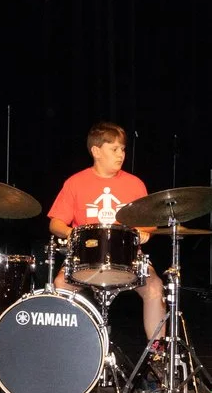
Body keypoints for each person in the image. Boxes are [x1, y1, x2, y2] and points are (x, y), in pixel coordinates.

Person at [46, 122, 167, 358]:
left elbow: (150, 223)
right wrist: (69, 233)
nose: (121, 154)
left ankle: (158, 356)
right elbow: (55, 223)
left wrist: (145, 231)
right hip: (85, 257)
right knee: (60, 285)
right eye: (114, 149)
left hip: (128, 257)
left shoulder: (135, 184)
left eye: (123, 149)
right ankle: (67, 353)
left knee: (154, 288)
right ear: (96, 151)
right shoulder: (75, 182)